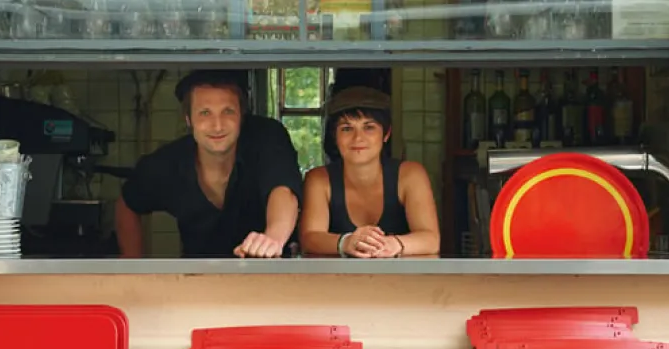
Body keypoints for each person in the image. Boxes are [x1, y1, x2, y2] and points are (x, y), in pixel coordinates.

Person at [116, 70, 302, 258]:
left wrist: (273, 239)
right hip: (197, 272)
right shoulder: (170, 163)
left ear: (241, 116)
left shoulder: (266, 138)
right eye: (205, 113)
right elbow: (128, 202)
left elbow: (284, 191)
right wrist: (132, 264)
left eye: (228, 111)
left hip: (266, 268)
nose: (217, 126)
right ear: (189, 120)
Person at [300, 87, 440, 258]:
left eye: (369, 127)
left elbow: (431, 239)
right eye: (346, 128)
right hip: (337, 276)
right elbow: (309, 239)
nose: (358, 138)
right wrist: (346, 242)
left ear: (386, 133)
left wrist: (394, 244)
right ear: (335, 137)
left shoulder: (410, 175)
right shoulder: (319, 179)